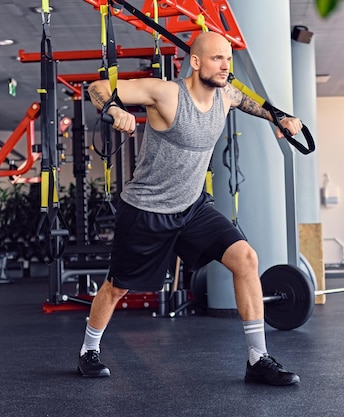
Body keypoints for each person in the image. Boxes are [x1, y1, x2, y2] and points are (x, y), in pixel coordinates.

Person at [79, 31, 303, 386]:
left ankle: (257, 358)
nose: (225, 65)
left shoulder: (225, 95)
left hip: (192, 206)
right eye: (217, 59)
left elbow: (248, 102)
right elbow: (97, 87)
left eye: (227, 59)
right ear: (195, 62)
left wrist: (279, 118)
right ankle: (89, 350)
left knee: (245, 258)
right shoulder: (166, 93)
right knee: (117, 287)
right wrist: (114, 109)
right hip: (147, 209)